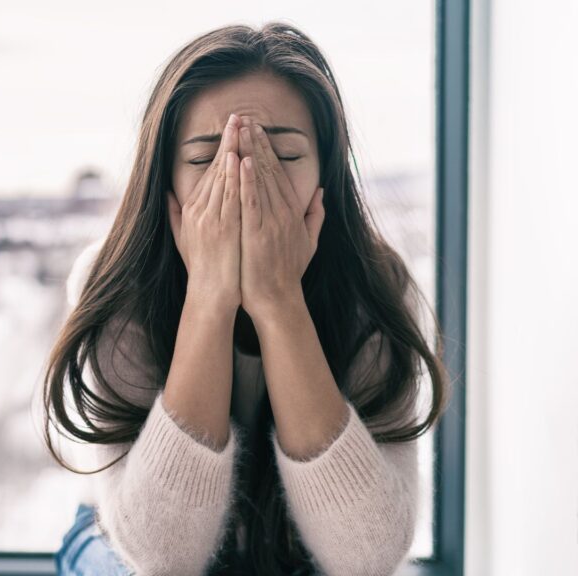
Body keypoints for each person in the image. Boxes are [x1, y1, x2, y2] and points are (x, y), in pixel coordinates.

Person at [40, 21, 452, 576]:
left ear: (327, 174)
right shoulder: (115, 282)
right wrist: (209, 297)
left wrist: (279, 300)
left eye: (283, 155)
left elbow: (368, 556)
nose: (246, 184)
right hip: (120, 546)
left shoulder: (375, 285)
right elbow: (162, 557)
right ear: (164, 180)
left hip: (296, 551)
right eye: (205, 159)